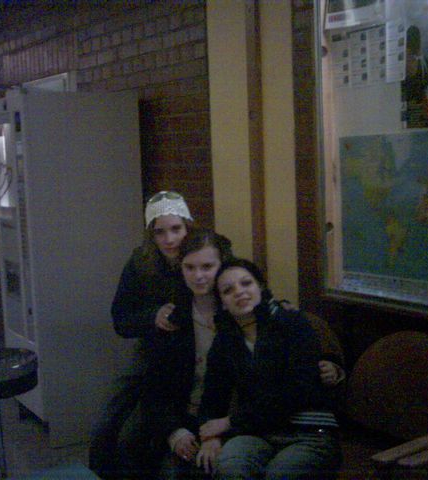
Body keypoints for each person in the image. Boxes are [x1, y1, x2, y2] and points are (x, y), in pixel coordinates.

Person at [196, 258, 344, 480]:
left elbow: (297, 392)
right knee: (229, 468)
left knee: (279, 475)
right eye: (228, 290)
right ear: (223, 303)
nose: (239, 292)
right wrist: (210, 437)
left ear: (261, 287)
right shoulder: (225, 341)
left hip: (308, 431)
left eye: (246, 283)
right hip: (256, 433)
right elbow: (212, 397)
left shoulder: (292, 323)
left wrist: (230, 422)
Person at [88, 190, 194, 480]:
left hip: (192, 349)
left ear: (187, 227)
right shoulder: (140, 262)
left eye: (176, 229)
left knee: (134, 435)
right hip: (152, 348)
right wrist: (152, 317)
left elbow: (239, 282)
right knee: (105, 424)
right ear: (151, 235)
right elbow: (120, 319)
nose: (169, 239)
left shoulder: (203, 254)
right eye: (160, 232)